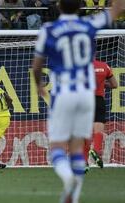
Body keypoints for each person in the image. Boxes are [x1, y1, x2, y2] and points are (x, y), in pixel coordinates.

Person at [31, 0, 123, 202]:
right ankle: (72, 196)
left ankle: (67, 178)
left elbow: (37, 66)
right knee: (77, 148)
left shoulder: (49, 29)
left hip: (63, 93)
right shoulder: (89, 24)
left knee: (57, 146)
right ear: (80, 8)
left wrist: (38, 85)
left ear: (58, 6)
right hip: (87, 95)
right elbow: (117, 9)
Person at [84, 59, 118, 172]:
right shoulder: (104, 66)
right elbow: (114, 85)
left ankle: (84, 162)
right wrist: (103, 84)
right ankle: (96, 150)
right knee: (98, 125)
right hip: (98, 99)